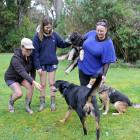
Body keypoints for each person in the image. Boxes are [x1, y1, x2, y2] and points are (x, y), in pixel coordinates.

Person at [32, 16, 71, 111]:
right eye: (46, 27)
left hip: (52, 63)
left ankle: (53, 103)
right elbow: (35, 53)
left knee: (52, 84)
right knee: (43, 84)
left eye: (50, 27)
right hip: (42, 65)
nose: (48, 29)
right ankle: (42, 103)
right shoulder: (37, 36)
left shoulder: (54, 35)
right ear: (42, 26)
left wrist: (71, 41)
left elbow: (62, 43)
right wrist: (38, 67)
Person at [4, 37, 42, 114]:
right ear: (22, 47)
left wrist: (32, 81)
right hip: (11, 78)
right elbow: (22, 72)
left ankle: (27, 106)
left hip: (21, 78)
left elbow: (32, 69)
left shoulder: (31, 57)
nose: (29, 51)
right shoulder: (15, 58)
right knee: (19, 93)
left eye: (31, 49)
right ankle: (11, 102)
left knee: (31, 86)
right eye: (27, 49)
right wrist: (34, 82)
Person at [78, 19, 116, 87]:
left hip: (95, 73)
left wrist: (104, 75)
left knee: (91, 93)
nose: (99, 32)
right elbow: (81, 39)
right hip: (82, 68)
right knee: (83, 90)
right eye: (97, 30)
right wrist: (80, 49)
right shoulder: (91, 33)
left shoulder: (108, 43)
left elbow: (107, 62)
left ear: (106, 30)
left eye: (101, 31)